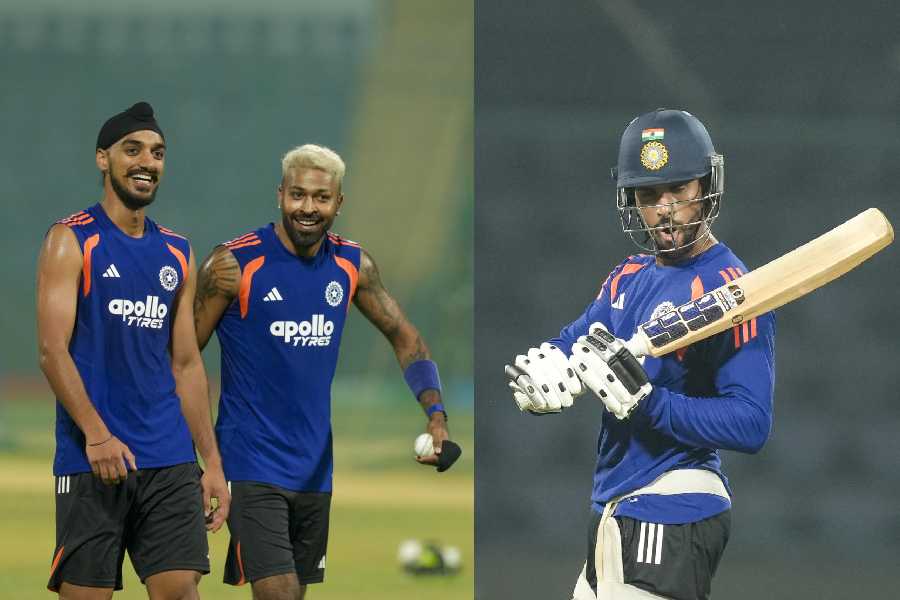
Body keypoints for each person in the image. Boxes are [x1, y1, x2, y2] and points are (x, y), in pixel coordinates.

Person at [505, 109, 775, 600]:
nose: (665, 207)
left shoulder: (734, 287)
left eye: (679, 190)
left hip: (676, 503)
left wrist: (647, 402)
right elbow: (577, 338)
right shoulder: (629, 275)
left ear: (706, 186)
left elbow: (751, 422)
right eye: (650, 195)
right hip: (613, 505)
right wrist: (552, 368)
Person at [193, 144, 462, 599]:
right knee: (277, 594)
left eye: (320, 198)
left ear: (339, 203)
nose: (307, 208)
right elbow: (180, 356)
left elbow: (407, 338)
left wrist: (436, 417)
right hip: (251, 462)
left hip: (315, 469)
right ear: (280, 195)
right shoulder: (233, 265)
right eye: (297, 195)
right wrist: (194, 452)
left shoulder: (352, 266)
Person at [36, 101, 230, 599]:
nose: (147, 161)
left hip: (168, 457)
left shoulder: (177, 252)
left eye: (158, 153)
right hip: (93, 458)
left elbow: (186, 365)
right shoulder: (71, 238)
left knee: (181, 592)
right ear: (103, 159)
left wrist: (211, 463)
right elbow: (52, 351)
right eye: (133, 150)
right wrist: (97, 436)